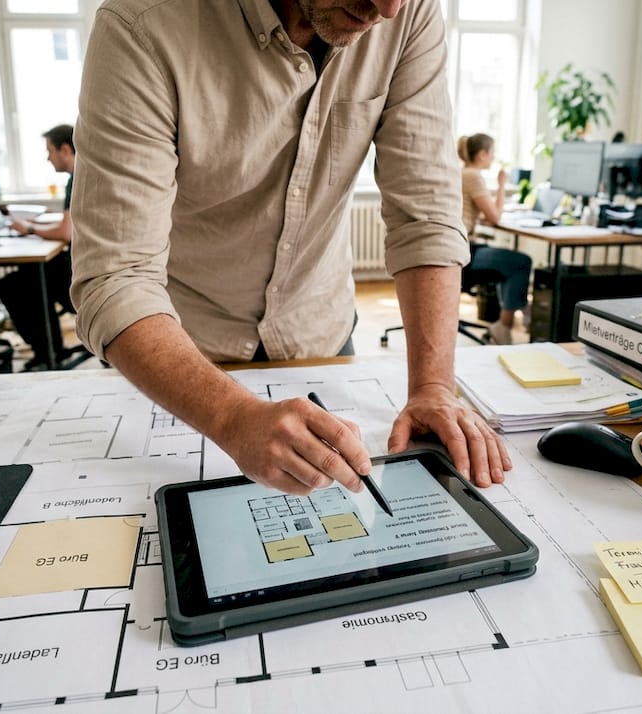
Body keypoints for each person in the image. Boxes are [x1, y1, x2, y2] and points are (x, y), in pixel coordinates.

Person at [71, 0, 511, 496]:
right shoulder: (142, 21)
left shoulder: (408, 13)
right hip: (182, 355)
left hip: (319, 332)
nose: (387, 10)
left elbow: (425, 215)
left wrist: (431, 387)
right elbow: (115, 276)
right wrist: (233, 417)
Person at [0, 124, 78, 371]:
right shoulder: (83, 174)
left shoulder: (77, 179)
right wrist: (33, 223)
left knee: (14, 284)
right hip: (85, 262)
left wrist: (31, 229)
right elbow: (71, 223)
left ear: (65, 149)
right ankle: (51, 350)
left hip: (83, 274)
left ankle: (49, 353)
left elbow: (66, 232)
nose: (47, 157)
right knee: (30, 275)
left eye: (49, 151)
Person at [457, 134, 533, 345]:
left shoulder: (462, 173)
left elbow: (480, 214)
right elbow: (495, 217)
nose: (493, 157)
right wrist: (502, 185)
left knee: (506, 263)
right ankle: (505, 325)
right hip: (464, 253)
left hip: (459, 247)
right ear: (482, 154)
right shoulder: (473, 175)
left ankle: (518, 312)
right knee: (520, 263)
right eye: (492, 152)